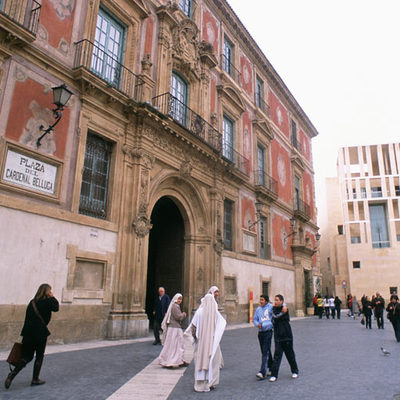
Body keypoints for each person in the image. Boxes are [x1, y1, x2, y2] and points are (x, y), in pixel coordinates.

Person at [4, 283, 59, 389]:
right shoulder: (48, 301)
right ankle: (35, 379)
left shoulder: (32, 302)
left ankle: (12, 374)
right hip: (40, 333)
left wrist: (24, 333)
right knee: (39, 356)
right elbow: (56, 308)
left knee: (26, 357)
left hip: (28, 333)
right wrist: (53, 297)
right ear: (48, 292)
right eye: (50, 291)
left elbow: (27, 319)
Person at [190, 294, 226, 392]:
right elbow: (222, 324)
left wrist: (195, 338)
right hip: (213, 343)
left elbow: (193, 327)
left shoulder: (199, 312)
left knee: (200, 361)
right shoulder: (215, 313)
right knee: (213, 362)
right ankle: (211, 382)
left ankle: (200, 383)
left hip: (201, 343)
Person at [269, 294, 299, 382]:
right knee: (277, 355)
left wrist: (283, 310)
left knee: (290, 354)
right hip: (278, 335)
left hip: (287, 335)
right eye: (275, 300)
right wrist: (282, 312)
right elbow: (275, 316)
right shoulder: (275, 310)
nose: (276, 302)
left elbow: (278, 317)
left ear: (282, 301)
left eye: (278, 300)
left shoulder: (286, 309)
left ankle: (295, 371)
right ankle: (274, 374)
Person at [158, 293, 187, 368]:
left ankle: (176, 359)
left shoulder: (173, 306)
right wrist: (183, 315)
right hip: (175, 328)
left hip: (173, 328)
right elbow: (178, 317)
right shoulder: (175, 306)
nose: (180, 300)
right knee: (177, 344)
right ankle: (174, 360)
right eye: (179, 299)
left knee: (172, 345)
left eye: (181, 299)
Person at [253, 294, 273, 380]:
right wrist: (258, 324)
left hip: (268, 331)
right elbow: (255, 319)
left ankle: (262, 372)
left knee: (265, 352)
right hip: (260, 332)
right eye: (260, 300)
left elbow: (273, 320)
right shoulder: (258, 309)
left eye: (262, 300)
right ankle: (271, 367)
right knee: (266, 350)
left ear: (266, 301)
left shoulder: (271, 307)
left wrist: (264, 324)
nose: (260, 301)